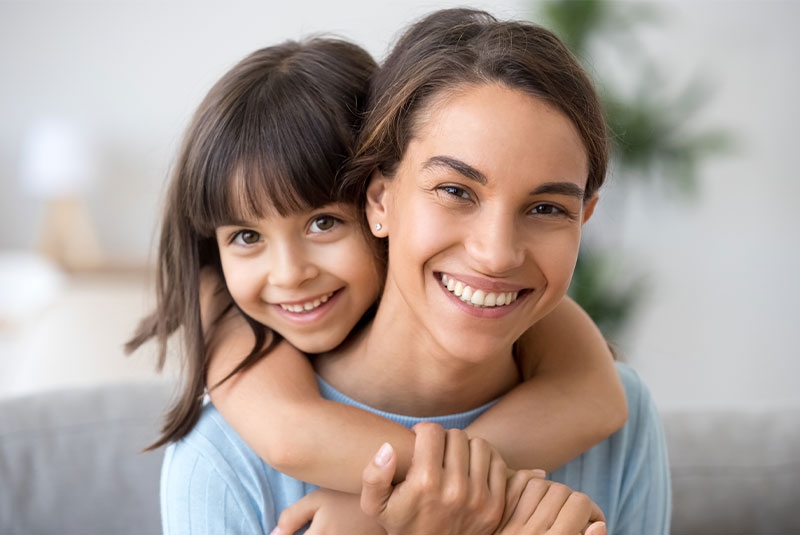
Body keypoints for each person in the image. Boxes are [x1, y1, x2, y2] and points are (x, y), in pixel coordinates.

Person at [129, 22, 648, 534]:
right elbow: (289, 437)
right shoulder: (224, 454)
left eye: (545, 207)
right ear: (380, 200)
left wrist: (387, 506)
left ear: (584, 216)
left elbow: (598, 393)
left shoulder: (614, 412)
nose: (496, 256)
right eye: (455, 191)